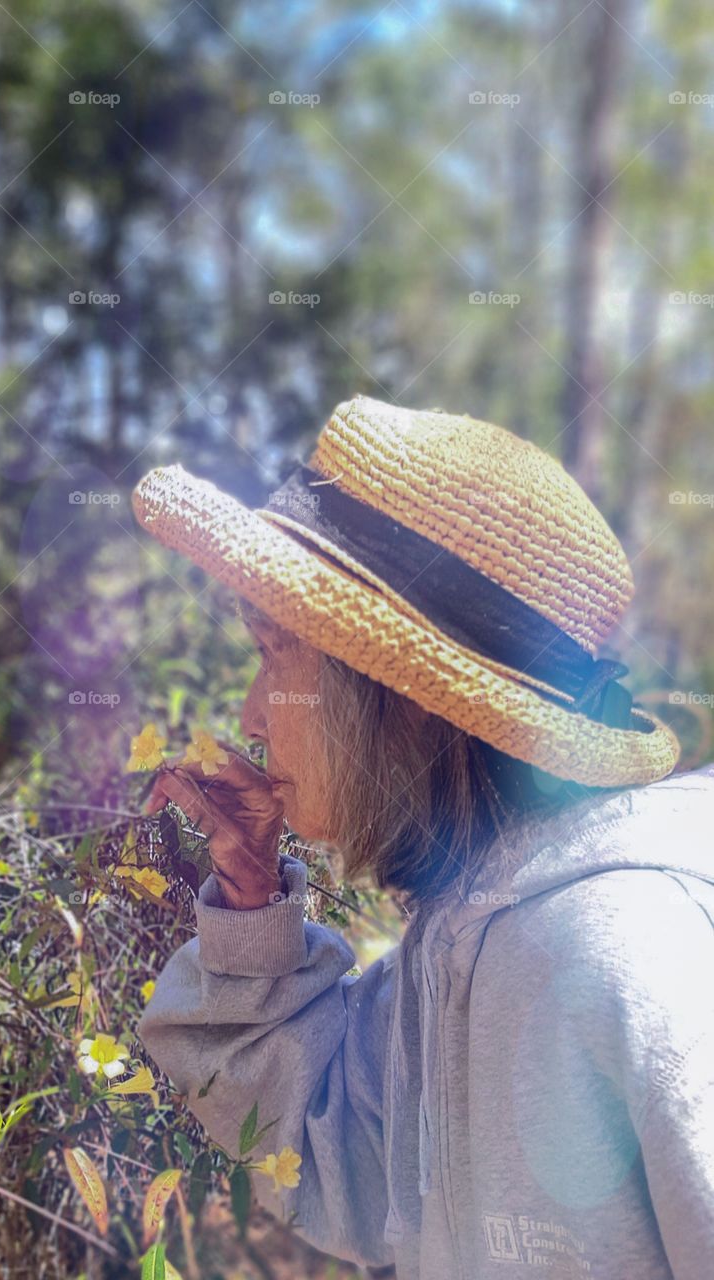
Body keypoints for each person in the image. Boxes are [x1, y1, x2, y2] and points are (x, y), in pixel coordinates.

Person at [131, 395, 714, 1279]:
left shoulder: (632, 954)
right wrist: (251, 900)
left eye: (276, 654)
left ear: (397, 697)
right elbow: (334, 1152)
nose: (252, 716)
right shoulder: (465, 933)